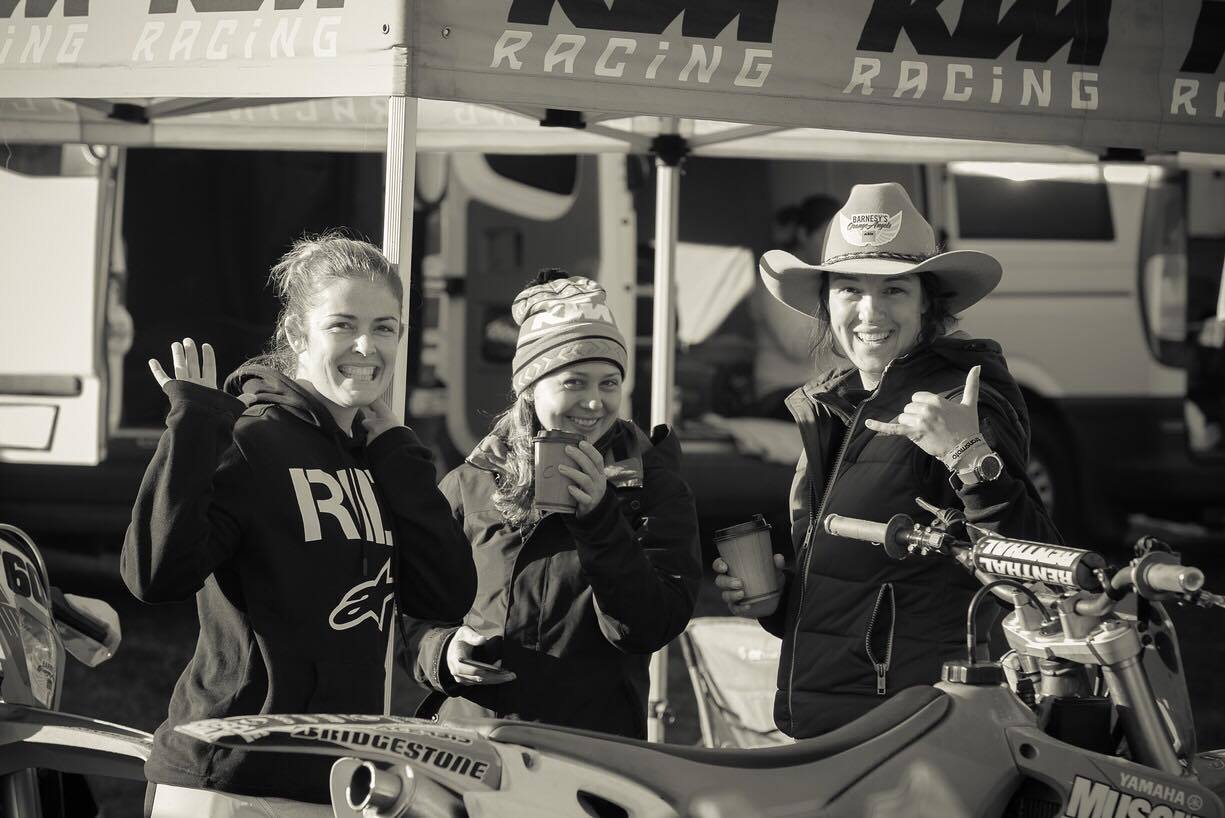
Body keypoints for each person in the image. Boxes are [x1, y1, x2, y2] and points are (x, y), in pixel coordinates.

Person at [122, 234, 476, 816]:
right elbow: (154, 575)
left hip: (335, 782)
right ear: (295, 334)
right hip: (229, 781)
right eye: (342, 325)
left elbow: (445, 595)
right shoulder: (251, 440)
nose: (366, 346)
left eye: (385, 328)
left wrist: (399, 454)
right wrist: (193, 426)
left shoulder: (380, 457)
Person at [716, 183, 1061, 739]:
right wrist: (781, 601)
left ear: (927, 302)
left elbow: (1038, 577)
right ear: (826, 302)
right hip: (836, 726)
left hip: (919, 730)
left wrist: (968, 455)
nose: (869, 311)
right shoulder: (834, 406)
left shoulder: (958, 404)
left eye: (894, 289)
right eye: (850, 289)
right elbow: (863, 588)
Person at [404, 270, 702, 739]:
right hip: (475, 744)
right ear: (530, 387)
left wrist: (600, 521)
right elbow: (407, 611)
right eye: (574, 382)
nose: (594, 402)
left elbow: (649, 627)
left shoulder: (653, 487)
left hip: (592, 748)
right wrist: (443, 652)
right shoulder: (470, 483)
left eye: (609, 384)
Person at [750, 195, 842, 418]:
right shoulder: (775, 280)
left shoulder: (832, 280)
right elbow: (798, 345)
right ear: (803, 234)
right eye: (826, 235)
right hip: (783, 393)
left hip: (831, 388)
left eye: (839, 237)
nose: (834, 245)